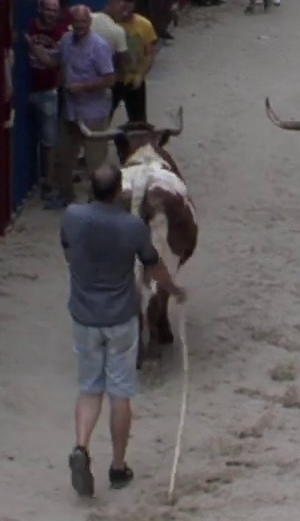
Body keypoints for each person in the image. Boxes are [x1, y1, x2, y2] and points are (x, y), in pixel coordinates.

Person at [62, 166, 186, 498]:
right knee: (120, 393)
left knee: (89, 388)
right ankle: (118, 466)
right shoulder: (131, 226)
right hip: (119, 317)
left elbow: (68, 254)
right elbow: (153, 264)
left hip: (84, 316)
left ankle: (81, 446)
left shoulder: (73, 216)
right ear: (118, 191)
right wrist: (174, 289)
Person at [49, 5, 118, 208]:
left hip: (94, 113)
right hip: (71, 112)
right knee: (63, 156)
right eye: (76, 21)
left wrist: (83, 87)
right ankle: (65, 194)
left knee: (95, 162)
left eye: (83, 22)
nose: (79, 25)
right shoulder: (66, 41)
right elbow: (54, 60)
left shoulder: (99, 46)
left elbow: (109, 78)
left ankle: (98, 202)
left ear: (89, 22)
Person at [26, 0, 69, 202]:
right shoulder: (30, 26)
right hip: (26, 88)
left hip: (48, 92)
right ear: (40, 9)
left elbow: (53, 63)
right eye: (47, 9)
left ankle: (49, 182)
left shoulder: (61, 33)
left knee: (49, 140)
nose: (50, 13)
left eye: (54, 10)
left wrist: (32, 46)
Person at [113, 0, 158, 124]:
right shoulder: (110, 24)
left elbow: (149, 55)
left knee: (138, 121)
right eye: (122, 3)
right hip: (113, 79)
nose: (125, 7)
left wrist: (141, 75)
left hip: (134, 79)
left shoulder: (144, 25)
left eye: (129, 3)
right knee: (103, 118)